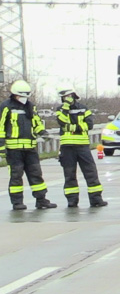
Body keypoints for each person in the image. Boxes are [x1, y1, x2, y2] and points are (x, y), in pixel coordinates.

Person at [0, 80, 56, 210]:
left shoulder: (30, 106)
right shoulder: (6, 106)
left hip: (30, 149)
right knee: (16, 176)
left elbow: (36, 123)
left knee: (36, 174)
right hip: (14, 150)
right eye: (21, 95)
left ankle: (41, 200)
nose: (24, 98)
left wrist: (43, 133)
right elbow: (1, 126)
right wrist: (1, 146)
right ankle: (17, 202)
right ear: (15, 95)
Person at [55, 87, 107, 208]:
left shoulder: (83, 108)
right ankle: (72, 200)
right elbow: (62, 122)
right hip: (67, 147)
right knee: (69, 174)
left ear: (73, 96)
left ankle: (96, 199)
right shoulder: (60, 110)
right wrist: (66, 107)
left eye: (68, 96)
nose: (66, 99)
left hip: (82, 146)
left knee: (91, 172)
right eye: (64, 97)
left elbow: (89, 125)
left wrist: (72, 127)